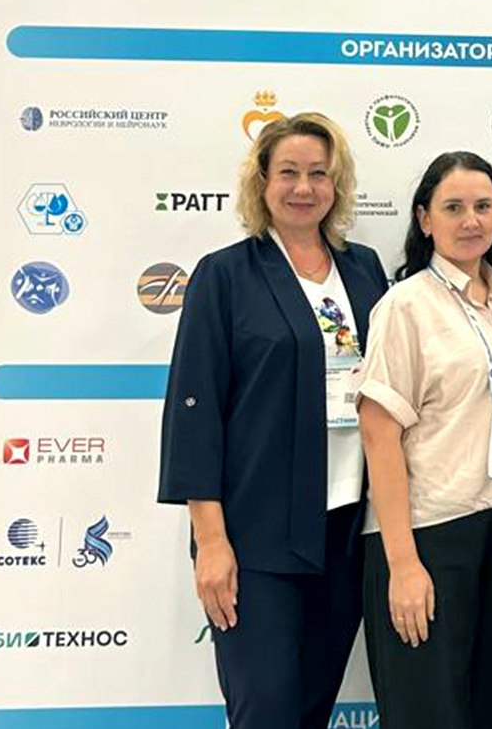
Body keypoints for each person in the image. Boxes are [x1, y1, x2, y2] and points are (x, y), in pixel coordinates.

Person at [158, 113, 388, 729]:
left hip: (347, 531)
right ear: (261, 182)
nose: (303, 188)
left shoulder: (364, 270)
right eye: (288, 172)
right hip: (257, 535)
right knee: (267, 709)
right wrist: (211, 540)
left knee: (312, 708)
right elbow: (195, 409)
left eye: (318, 174)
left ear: (336, 185)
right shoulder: (226, 274)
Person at [355, 151, 492, 729]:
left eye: (483, 206)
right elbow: (379, 433)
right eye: (453, 207)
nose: (471, 221)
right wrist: (403, 563)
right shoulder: (405, 305)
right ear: (424, 219)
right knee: (428, 714)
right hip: (430, 536)